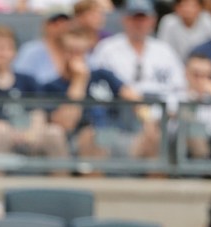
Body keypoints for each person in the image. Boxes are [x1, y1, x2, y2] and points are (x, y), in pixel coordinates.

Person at [0, 25, 69, 163]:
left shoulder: (28, 80)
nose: (1, 52)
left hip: (28, 134)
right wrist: (4, 129)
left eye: (7, 48)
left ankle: (62, 182)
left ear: (15, 53)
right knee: (1, 136)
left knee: (54, 133)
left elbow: (38, 113)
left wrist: (32, 132)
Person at [44, 27, 154, 162]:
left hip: (113, 134)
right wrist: (79, 81)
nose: (77, 57)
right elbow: (67, 124)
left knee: (154, 138)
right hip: (77, 143)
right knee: (90, 137)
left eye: (81, 52)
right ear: (61, 53)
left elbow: (133, 98)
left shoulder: (102, 75)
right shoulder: (51, 86)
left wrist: (148, 120)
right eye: (71, 52)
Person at [91, 0, 186, 102]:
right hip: (119, 109)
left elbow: (179, 87)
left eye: (143, 19)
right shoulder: (107, 48)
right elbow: (96, 87)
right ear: (124, 20)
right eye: (134, 18)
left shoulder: (164, 51)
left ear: (153, 21)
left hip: (160, 110)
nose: (139, 24)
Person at [13, 7, 72, 86]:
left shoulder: (75, 51)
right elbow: (21, 80)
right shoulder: (31, 50)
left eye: (64, 22)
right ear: (45, 25)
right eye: (55, 22)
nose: (60, 27)